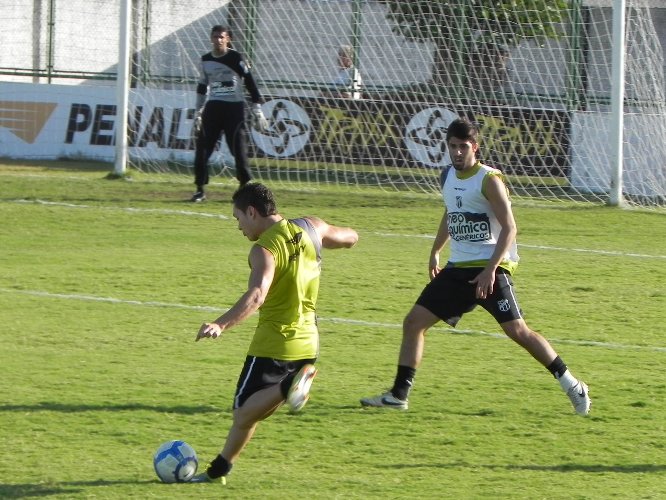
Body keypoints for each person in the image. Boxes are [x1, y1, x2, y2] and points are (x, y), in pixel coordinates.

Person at [360, 117, 591, 416]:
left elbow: (510, 229)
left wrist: (491, 270)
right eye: (452, 146)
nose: (457, 152)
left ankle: (573, 385)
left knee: (518, 331)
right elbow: (451, 212)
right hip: (458, 269)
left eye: (463, 147)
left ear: (475, 147)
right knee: (413, 323)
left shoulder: (489, 180)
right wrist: (435, 251)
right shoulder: (446, 176)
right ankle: (398, 395)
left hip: (489, 268)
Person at [190, 182, 358, 484]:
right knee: (255, 413)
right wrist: (338, 240)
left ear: (252, 212)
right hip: (309, 343)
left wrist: (221, 324)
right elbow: (350, 238)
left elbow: (257, 295)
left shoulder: (264, 249)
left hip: (275, 343)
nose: (239, 226)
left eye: (238, 218)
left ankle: (290, 385)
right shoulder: (311, 227)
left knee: (243, 413)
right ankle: (219, 470)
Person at [190, 25, 269, 202]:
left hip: (234, 109)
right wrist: (198, 112)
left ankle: (244, 186)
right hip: (213, 108)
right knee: (202, 148)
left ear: (228, 39)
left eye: (221, 37)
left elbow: (250, 82)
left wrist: (257, 108)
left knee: (239, 150)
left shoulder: (236, 58)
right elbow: (202, 87)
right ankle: (199, 189)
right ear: (211, 38)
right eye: (215, 36)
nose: (218, 40)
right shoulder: (205, 60)